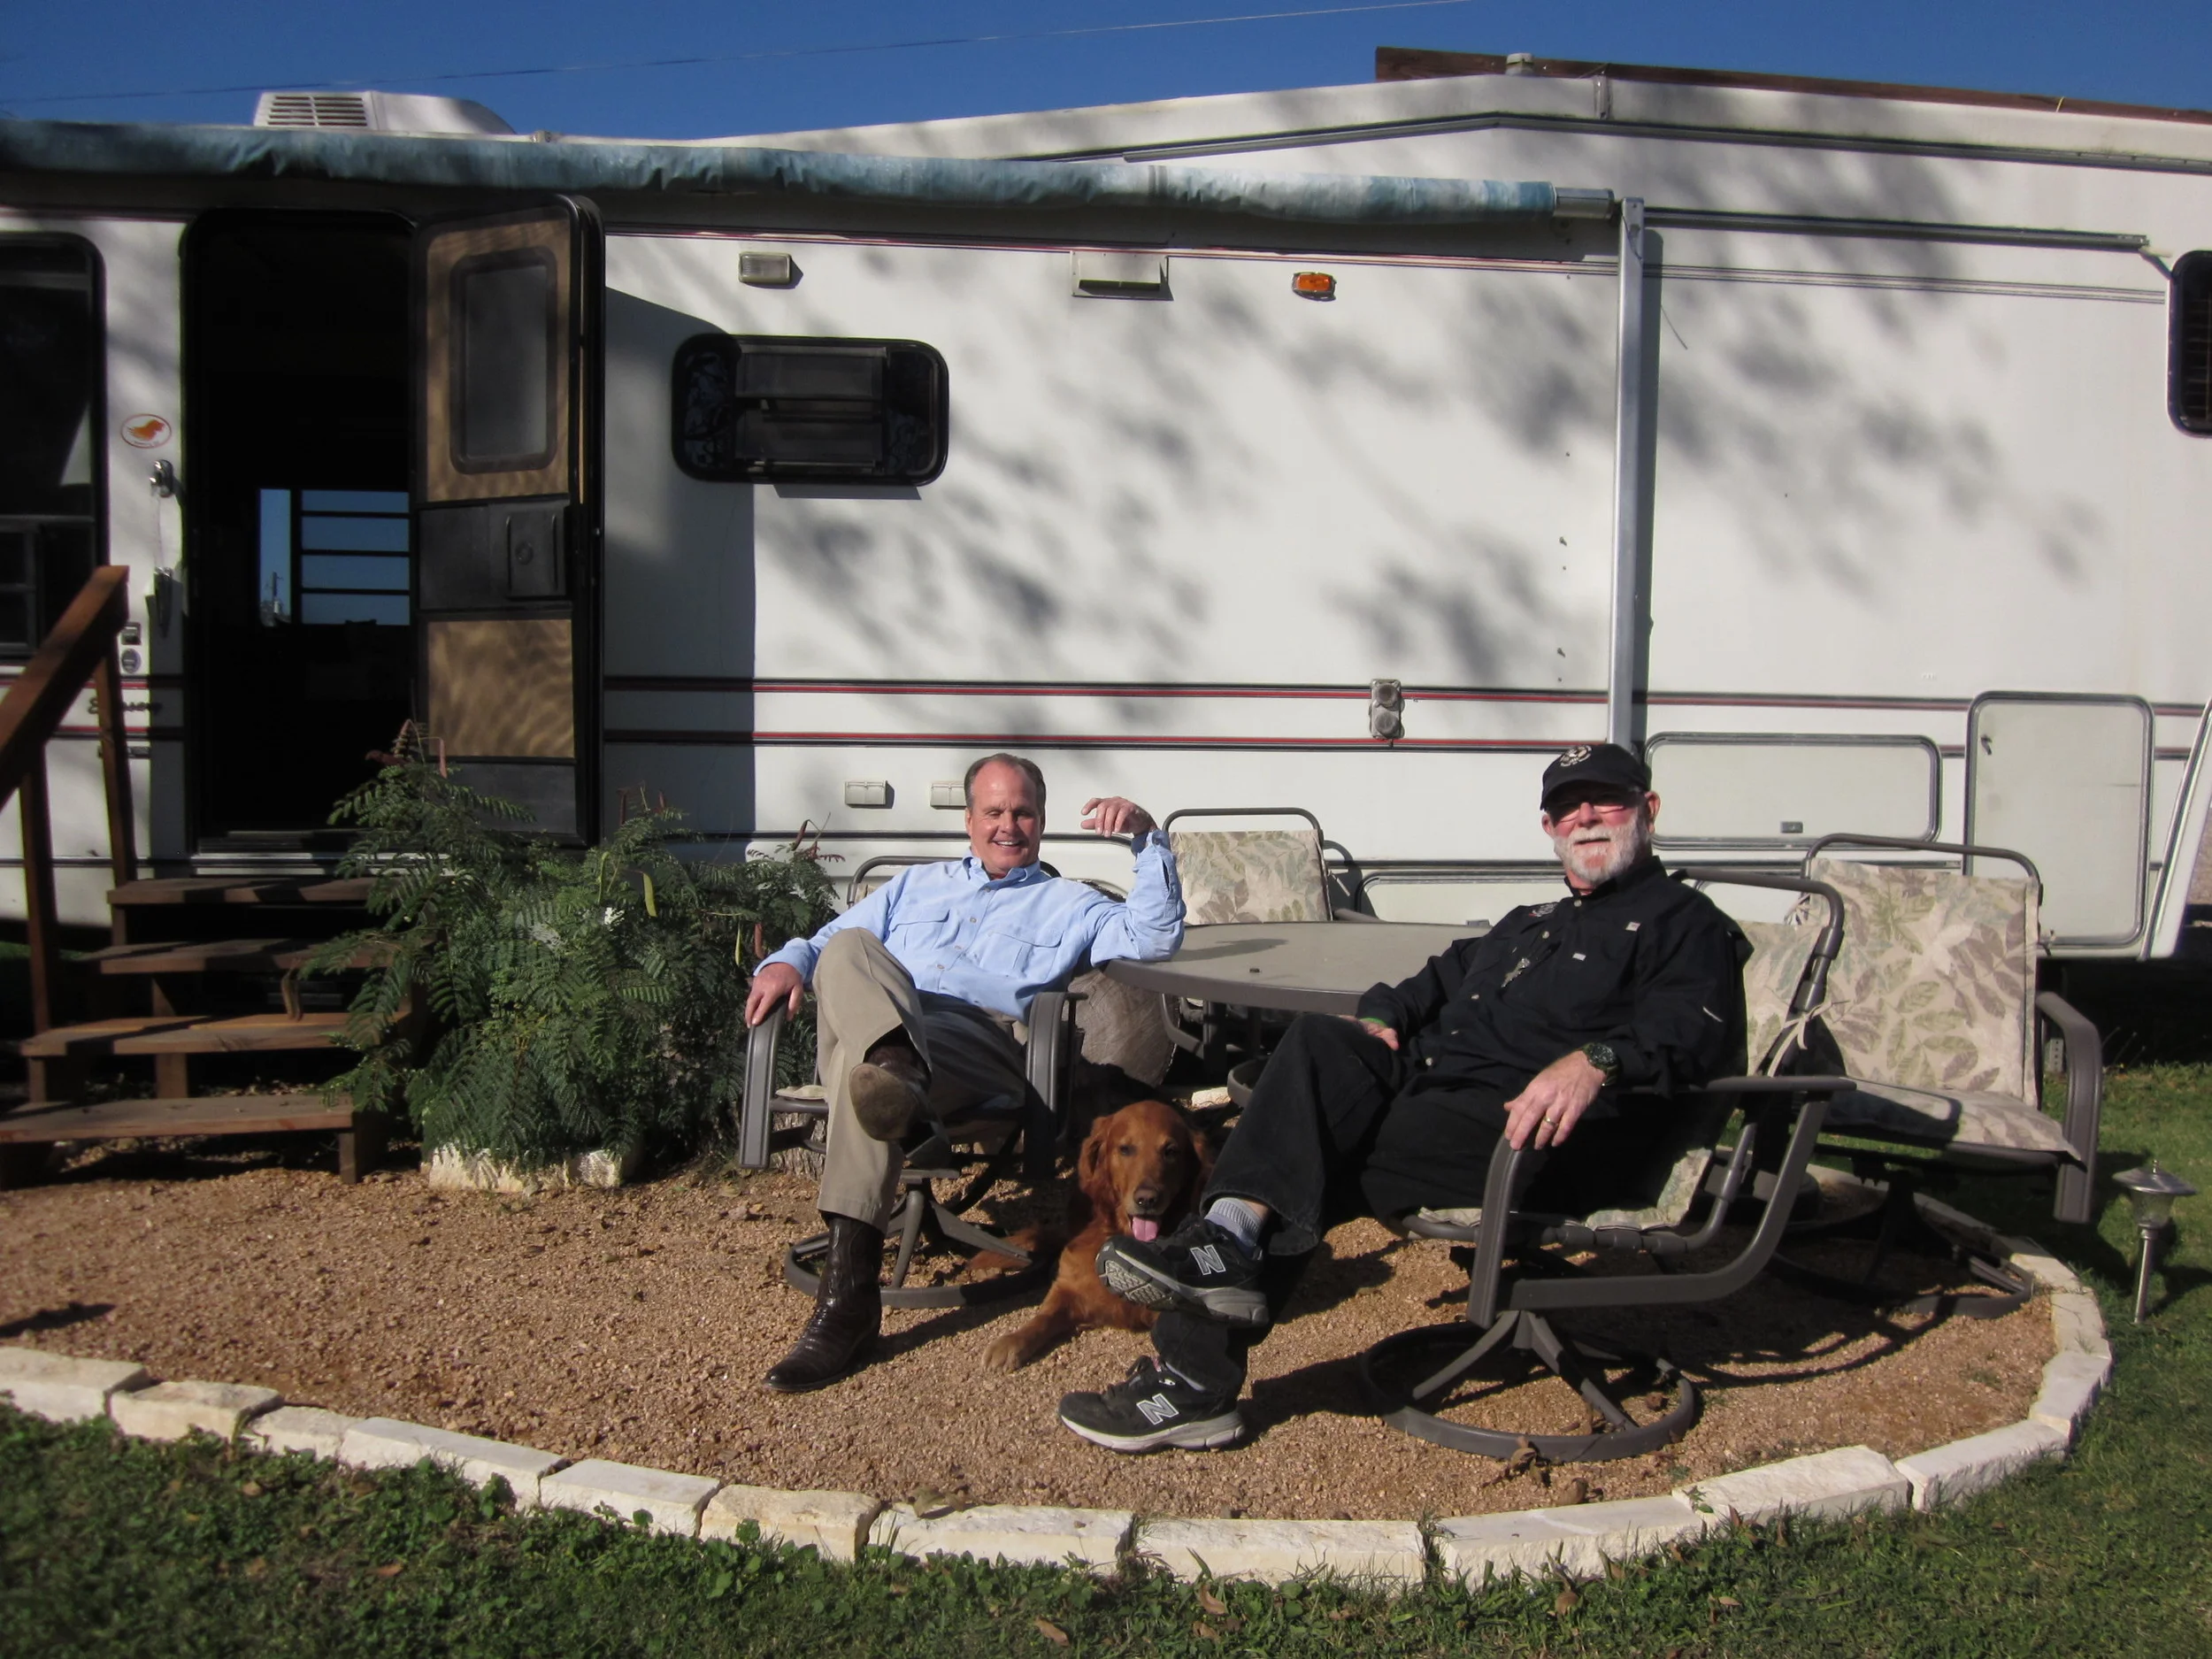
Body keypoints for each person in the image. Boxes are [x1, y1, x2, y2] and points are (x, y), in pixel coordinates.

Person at [1056, 741, 1747, 1453]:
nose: (1588, 818)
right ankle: (1222, 1247)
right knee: (1319, 1049)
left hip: (1549, 1136)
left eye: (1608, 800)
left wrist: (1595, 1059)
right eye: (1569, 807)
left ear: (1648, 810)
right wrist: (1385, 1013)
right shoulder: (1532, 922)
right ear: (1550, 829)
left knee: (1303, 1148)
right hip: (1448, 1105)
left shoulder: (1684, 922)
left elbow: (1693, 1030)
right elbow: (1440, 976)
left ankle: (1193, 1373)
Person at [748, 753, 1183, 1393]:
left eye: (1023, 812)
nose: (1009, 825)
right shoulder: (912, 887)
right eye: (994, 811)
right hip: (887, 1020)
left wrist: (1147, 838)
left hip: (975, 1046)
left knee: (857, 1071)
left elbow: (1154, 937)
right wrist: (785, 963)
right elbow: (821, 945)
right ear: (969, 819)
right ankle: (896, 1071)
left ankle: (847, 1299)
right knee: (847, 949)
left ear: (1041, 821)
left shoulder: (1070, 903)